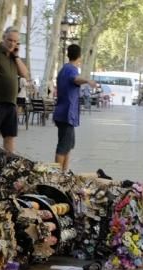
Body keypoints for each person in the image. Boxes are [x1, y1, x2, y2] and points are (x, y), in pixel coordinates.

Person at [52, 44, 97, 173]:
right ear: (80, 57)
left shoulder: (63, 69)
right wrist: (88, 81)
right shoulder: (71, 69)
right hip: (66, 114)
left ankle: (64, 173)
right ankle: (57, 175)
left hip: (63, 113)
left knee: (68, 146)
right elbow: (76, 79)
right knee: (63, 147)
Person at [0, 27, 30, 154]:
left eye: (15, 41)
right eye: (9, 40)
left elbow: (25, 74)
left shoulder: (13, 56)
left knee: (10, 137)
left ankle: (9, 165)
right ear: (3, 38)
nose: (12, 43)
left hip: (11, 104)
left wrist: (16, 56)